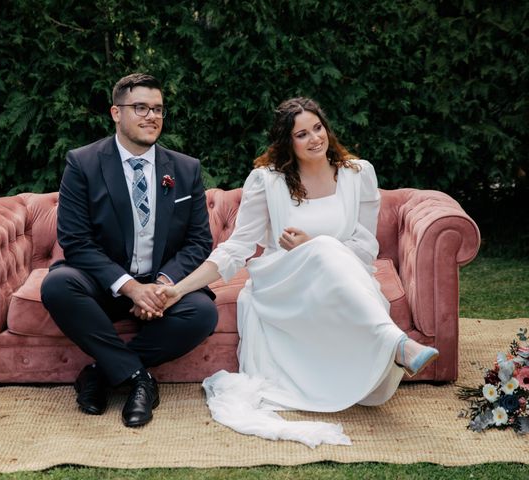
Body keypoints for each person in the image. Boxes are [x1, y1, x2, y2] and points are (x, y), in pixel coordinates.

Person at [156, 97, 439, 446]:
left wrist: (315, 245)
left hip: (343, 277)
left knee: (323, 247)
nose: (315, 139)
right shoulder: (267, 180)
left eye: (317, 128)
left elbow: (365, 248)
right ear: (287, 143)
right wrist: (179, 289)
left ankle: (392, 343)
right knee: (320, 247)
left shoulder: (357, 173)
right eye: (301, 134)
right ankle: (396, 343)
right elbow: (235, 249)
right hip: (283, 282)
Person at [41, 73, 218, 428]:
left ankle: (99, 374)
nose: (151, 116)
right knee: (57, 286)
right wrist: (129, 287)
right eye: (140, 107)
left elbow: (199, 241)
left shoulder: (185, 169)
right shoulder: (83, 163)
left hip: (159, 285)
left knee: (202, 312)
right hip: (104, 283)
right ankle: (139, 380)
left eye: (158, 109)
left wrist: (164, 284)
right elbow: (75, 239)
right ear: (115, 113)